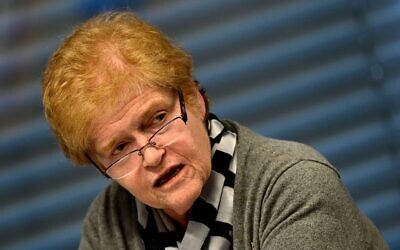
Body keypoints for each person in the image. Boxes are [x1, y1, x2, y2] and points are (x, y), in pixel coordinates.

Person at [41, 11, 388, 250]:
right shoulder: (108, 226)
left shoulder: (294, 189)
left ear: (194, 98)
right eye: (119, 148)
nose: (150, 155)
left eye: (157, 118)